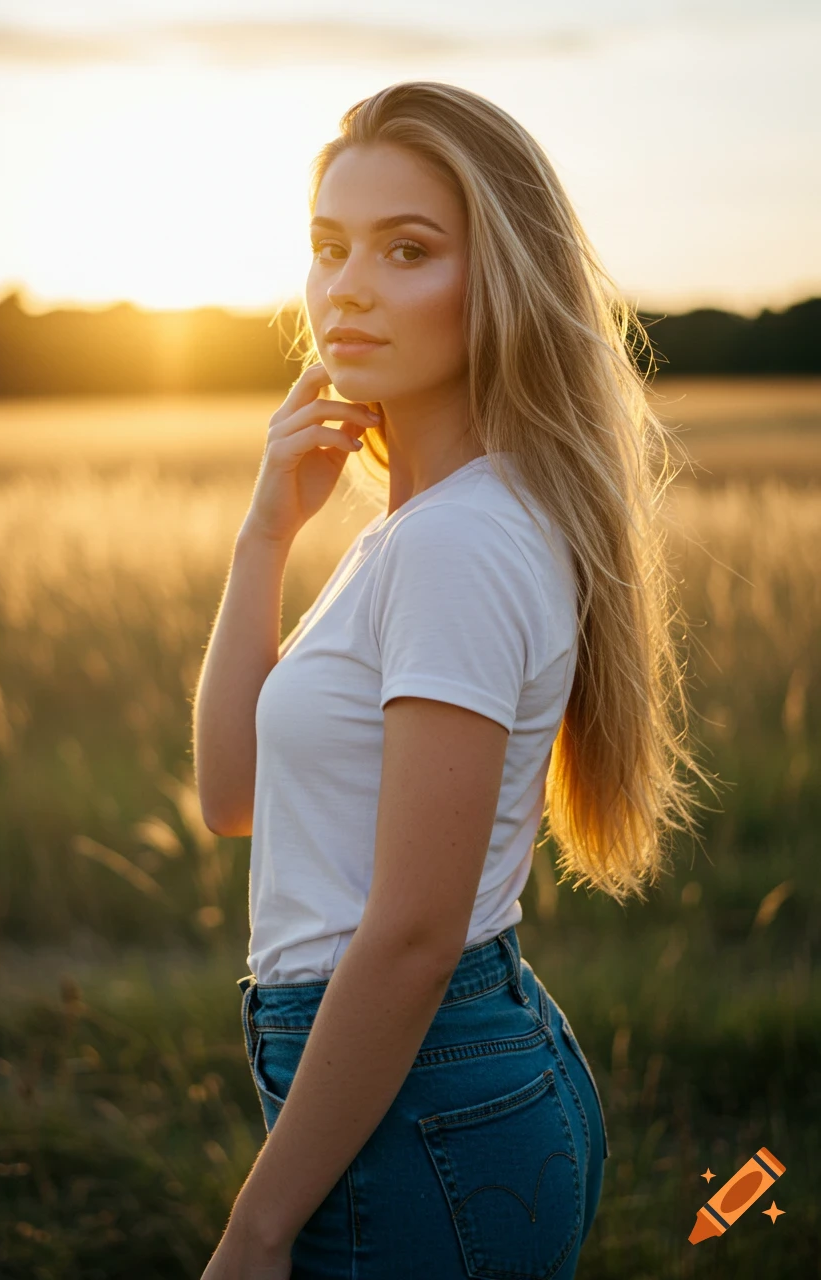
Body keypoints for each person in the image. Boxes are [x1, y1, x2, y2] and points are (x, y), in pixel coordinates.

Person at [194, 80, 716, 1280]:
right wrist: (263, 534)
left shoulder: (457, 541)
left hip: (417, 1094)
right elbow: (232, 795)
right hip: (436, 1081)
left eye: (408, 248)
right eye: (328, 247)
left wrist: (255, 1225)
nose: (348, 286)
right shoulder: (415, 527)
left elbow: (416, 929)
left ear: (501, 282)